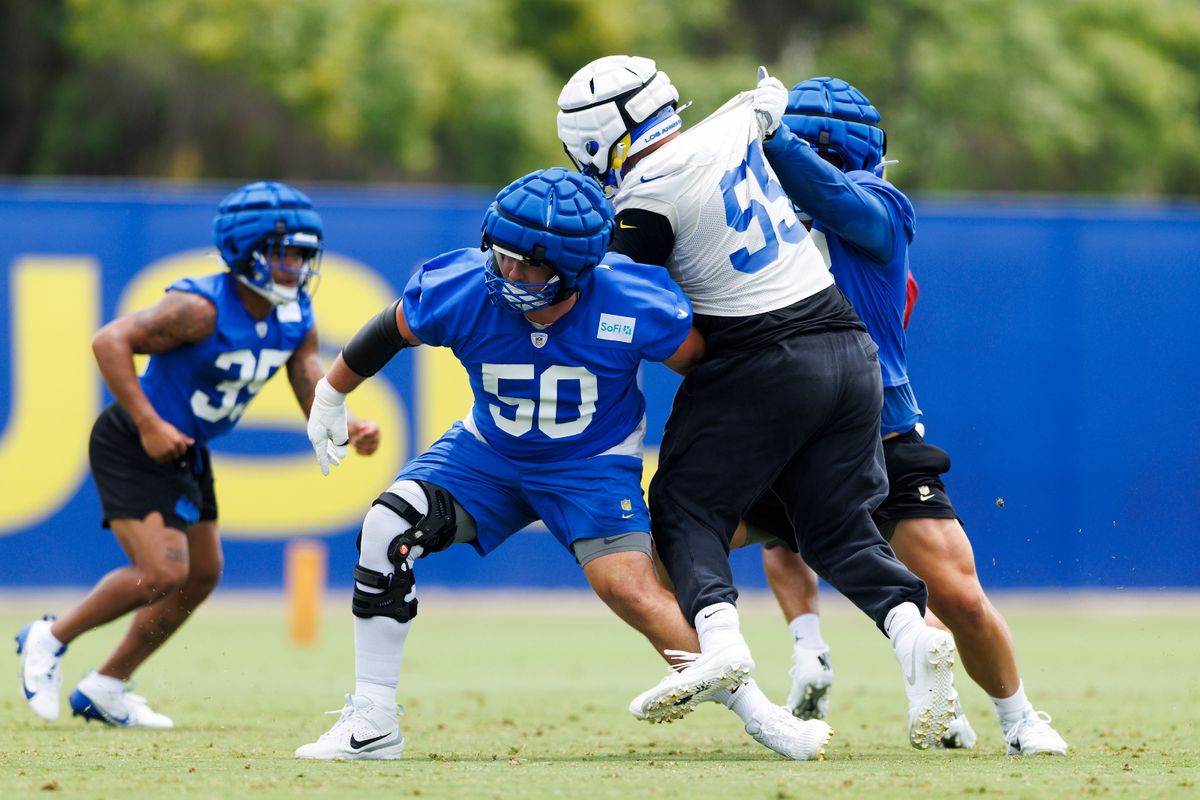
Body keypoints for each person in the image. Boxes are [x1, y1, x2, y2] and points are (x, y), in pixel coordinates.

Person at [294, 167, 832, 762]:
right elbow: (388, 329)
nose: (509, 272)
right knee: (386, 527)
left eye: (528, 264)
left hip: (590, 464)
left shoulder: (631, 299)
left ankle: (761, 715)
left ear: (577, 269)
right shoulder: (465, 287)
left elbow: (706, 370)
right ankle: (372, 722)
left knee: (632, 591)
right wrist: (330, 394)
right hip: (490, 452)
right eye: (503, 256)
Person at [557, 56, 960, 750]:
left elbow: (624, 296)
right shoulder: (739, 118)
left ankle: (720, 640)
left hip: (762, 354)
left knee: (685, 508)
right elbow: (765, 101)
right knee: (832, 528)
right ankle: (910, 632)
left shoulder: (643, 199)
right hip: (847, 349)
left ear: (596, 139)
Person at [755, 76, 1068, 755]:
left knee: (954, 590)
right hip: (777, 433)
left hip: (876, 432)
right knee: (661, 561)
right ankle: (785, 669)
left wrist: (775, 139)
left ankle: (1020, 720)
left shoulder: (878, 206)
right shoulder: (750, 221)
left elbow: (834, 199)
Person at [15, 181, 380, 728]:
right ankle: (49, 637)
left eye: (305, 253)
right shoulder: (200, 308)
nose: (298, 266)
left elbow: (306, 379)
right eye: (287, 252)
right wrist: (149, 421)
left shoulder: (294, 313)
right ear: (247, 252)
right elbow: (108, 341)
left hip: (187, 449)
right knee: (161, 572)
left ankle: (107, 684)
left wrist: (343, 420)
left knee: (203, 574)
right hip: (136, 440)